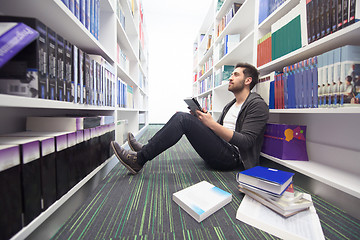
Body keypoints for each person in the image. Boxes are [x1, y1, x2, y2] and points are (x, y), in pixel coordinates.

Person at [111, 62, 269, 174]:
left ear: (248, 81)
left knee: (182, 118)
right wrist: (202, 120)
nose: (230, 77)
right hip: (222, 148)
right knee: (185, 117)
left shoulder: (257, 105)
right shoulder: (231, 104)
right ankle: (146, 148)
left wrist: (212, 125)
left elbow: (246, 142)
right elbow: (219, 132)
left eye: (235, 74)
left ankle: (138, 160)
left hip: (233, 158)